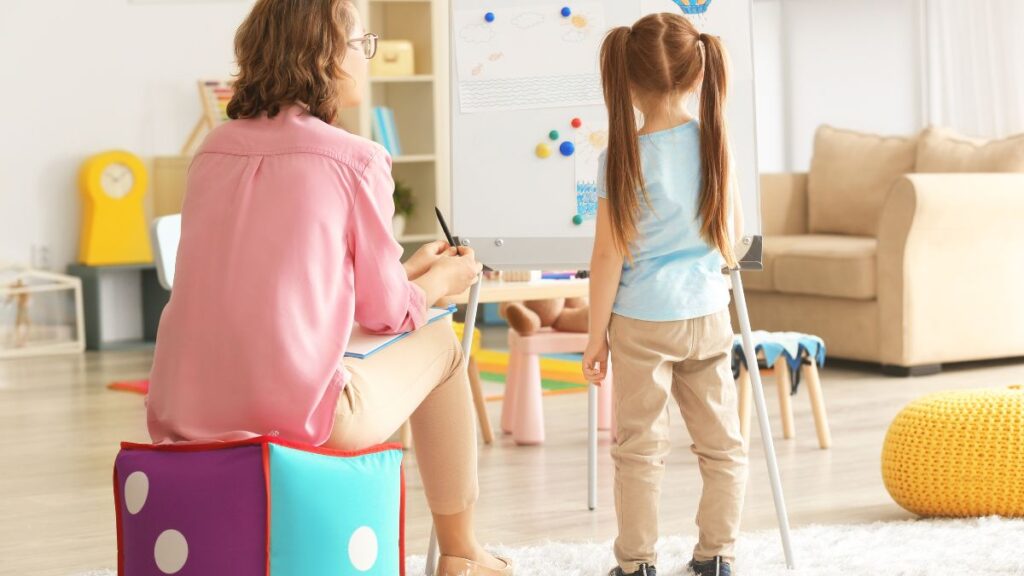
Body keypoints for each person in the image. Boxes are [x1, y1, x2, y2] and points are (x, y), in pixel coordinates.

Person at [146, 1, 510, 573]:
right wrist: (445, 279)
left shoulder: (212, 151)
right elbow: (387, 313)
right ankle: (463, 554)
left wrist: (410, 271)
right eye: (361, 46)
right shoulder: (356, 158)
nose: (365, 61)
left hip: (184, 414)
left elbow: (302, 288)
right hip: (300, 417)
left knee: (418, 318)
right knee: (443, 343)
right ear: (326, 56)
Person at [582, 12, 748, 576]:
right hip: (707, 314)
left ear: (627, 84)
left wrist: (593, 337)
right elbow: (734, 242)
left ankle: (636, 565)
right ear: (699, 75)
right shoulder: (717, 142)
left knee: (639, 451)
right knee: (723, 445)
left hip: (641, 323)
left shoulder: (620, 158)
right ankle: (716, 557)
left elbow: (607, 258)